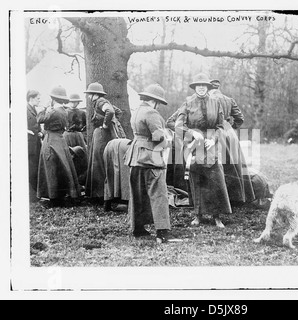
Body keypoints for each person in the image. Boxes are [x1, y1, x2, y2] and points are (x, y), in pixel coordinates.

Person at [175, 73, 232, 228]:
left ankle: (217, 216)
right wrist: (192, 133)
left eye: (204, 85)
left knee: (215, 179)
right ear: (195, 88)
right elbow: (178, 125)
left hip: (211, 145)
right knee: (196, 180)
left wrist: (213, 139)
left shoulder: (216, 102)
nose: (201, 88)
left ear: (208, 87)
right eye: (198, 85)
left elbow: (221, 126)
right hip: (194, 144)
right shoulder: (187, 103)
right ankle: (198, 214)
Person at [124, 83, 175, 243]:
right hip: (151, 158)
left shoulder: (137, 111)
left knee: (137, 194)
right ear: (155, 101)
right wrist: (169, 139)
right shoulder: (152, 113)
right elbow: (158, 137)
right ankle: (162, 232)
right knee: (158, 193)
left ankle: (137, 228)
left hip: (135, 156)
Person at [209, 79, 255, 205]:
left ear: (208, 88)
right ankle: (238, 197)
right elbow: (240, 118)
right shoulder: (229, 100)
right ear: (218, 88)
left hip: (214, 132)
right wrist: (231, 127)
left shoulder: (208, 100)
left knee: (216, 165)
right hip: (230, 132)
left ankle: (222, 199)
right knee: (234, 165)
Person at [36, 86, 81, 207]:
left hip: (51, 139)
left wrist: (44, 108)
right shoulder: (63, 111)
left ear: (53, 99)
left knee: (51, 167)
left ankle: (54, 197)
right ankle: (65, 194)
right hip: (60, 139)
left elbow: (39, 119)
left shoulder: (54, 111)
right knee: (63, 166)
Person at [84, 82, 125, 203]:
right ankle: (102, 194)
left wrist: (105, 125)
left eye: (90, 94)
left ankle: (101, 195)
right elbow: (118, 112)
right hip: (103, 135)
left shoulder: (100, 102)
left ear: (95, 94)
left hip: (102, 135)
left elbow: (111, 111)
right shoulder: (101, 102)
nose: (88, 97)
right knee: (100, 161)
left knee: (98, 162)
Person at [26, 90, 43, 202]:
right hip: (30, 144)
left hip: (36, 143)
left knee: (36, 167)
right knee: (31, 169)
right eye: (38, 98)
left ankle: (36, 194)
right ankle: (32, 196)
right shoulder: (25, 110)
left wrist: (40, 132)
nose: (39, 100)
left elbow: (36, 124)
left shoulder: (33, 110)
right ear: (31, 98)